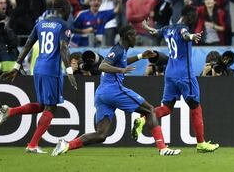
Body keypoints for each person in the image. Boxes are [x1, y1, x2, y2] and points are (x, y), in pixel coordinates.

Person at [51, 24, 181, 156]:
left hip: (102, 94)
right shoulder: (118, 50)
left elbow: (122, 62)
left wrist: (141, 56)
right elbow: (102, 66)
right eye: (134, 36)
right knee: (150, 110)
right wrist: (120, 70)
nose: (137, 38)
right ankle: (162, 148)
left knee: (101, 135)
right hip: (113, 90)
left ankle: (66, 145)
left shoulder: (120, 51)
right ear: (128, 36)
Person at [0, 0, 77, 153]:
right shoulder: (64, 25)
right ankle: (32, 145)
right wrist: (70, 71)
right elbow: (64, 48)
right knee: (51, 108)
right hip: (52, 70)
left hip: (38, 68)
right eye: (69, 9)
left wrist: (17, 66)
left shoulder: (40, 24)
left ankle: (10, 111)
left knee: (42, 105)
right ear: (63, 9)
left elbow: (27, 45)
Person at [141, 5, 220, 152]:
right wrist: (192, 36)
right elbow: (185, 34)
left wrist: (146, 27)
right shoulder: (183, 28)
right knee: (195, 107)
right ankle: (201, 143)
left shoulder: (167, 28)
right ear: (190, 16)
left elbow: (155, 32)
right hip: (184, 75)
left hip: (170, 73)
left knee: (166, 108)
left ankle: (143, 119)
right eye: (195, 17)